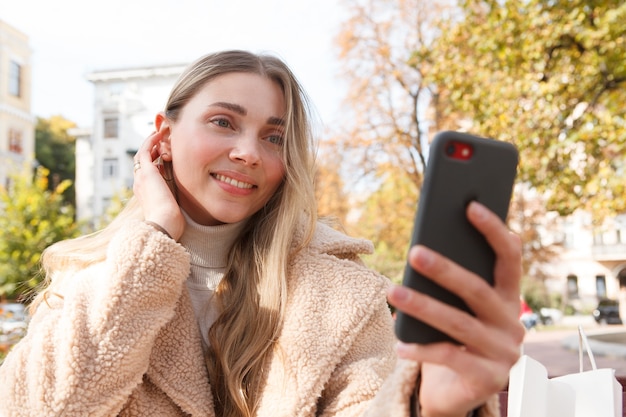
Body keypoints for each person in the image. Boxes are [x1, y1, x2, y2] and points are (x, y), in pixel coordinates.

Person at [0, 50, 524, 417]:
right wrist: (155, 238)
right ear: (162, 136)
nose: (249, 152)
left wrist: (429, 406)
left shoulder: (342, 296)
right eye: (224, 122)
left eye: (274, 136)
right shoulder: (87, 283)